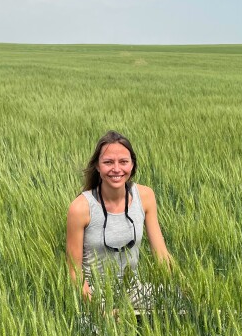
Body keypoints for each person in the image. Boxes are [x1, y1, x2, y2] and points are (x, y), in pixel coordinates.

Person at [66, 130, 172, 313]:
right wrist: (102, 312)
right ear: (97, 166)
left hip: (134, 291)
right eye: (108, 162)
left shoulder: (145, 196)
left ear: (132, 165)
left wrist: (181, 288)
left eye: (123, 162)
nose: (116, 169)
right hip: (94, 296)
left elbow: (161, 253)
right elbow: (74, 272)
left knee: (185, 308)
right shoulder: (80, 208)